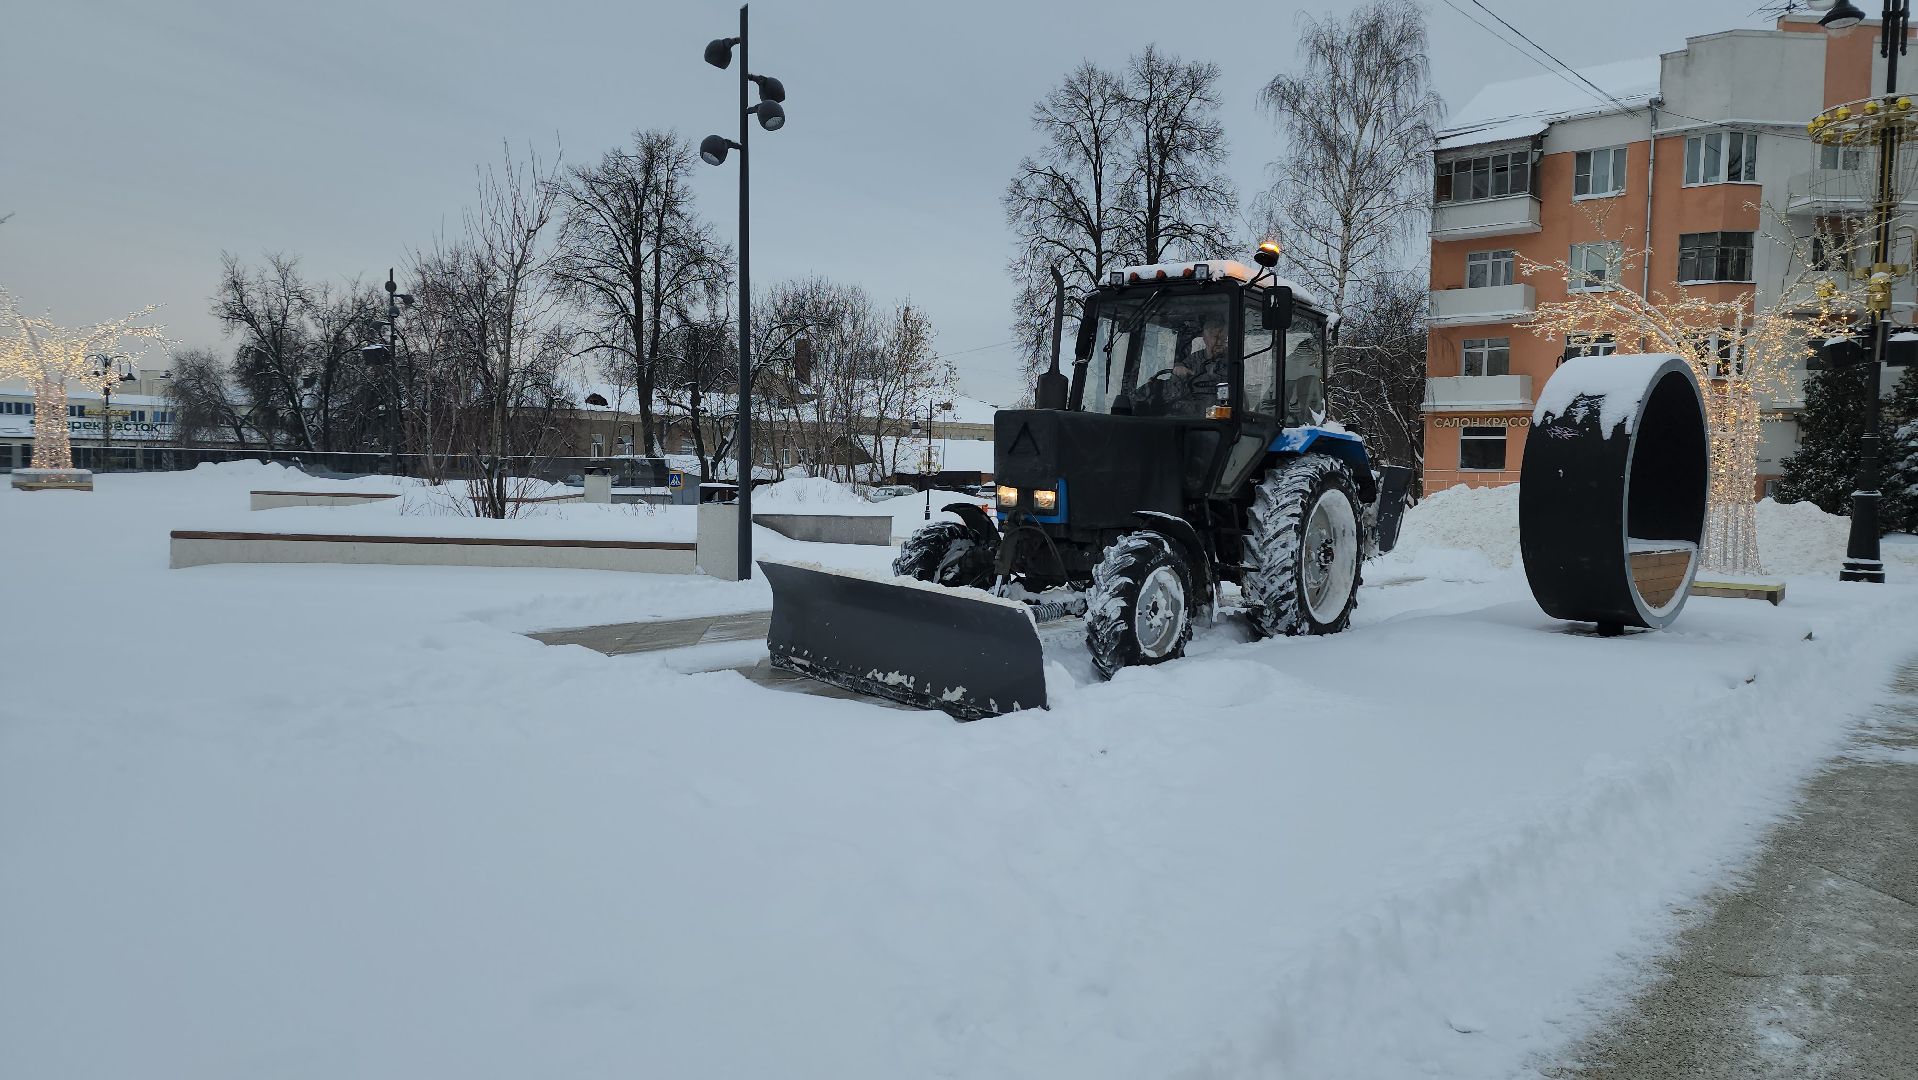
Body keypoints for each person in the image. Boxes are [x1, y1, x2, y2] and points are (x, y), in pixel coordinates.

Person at [1166, 317, 1229, 415]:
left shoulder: (1232, 359)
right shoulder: (1194, 360)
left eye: (1223, 338)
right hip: (1195, 417)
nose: (1220, 342)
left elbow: (1228, 406)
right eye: (1215, 337)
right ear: (1205, 338)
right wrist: (1177, 370)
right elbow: (1174, 390)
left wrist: (1205, 414)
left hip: (1222, 417)